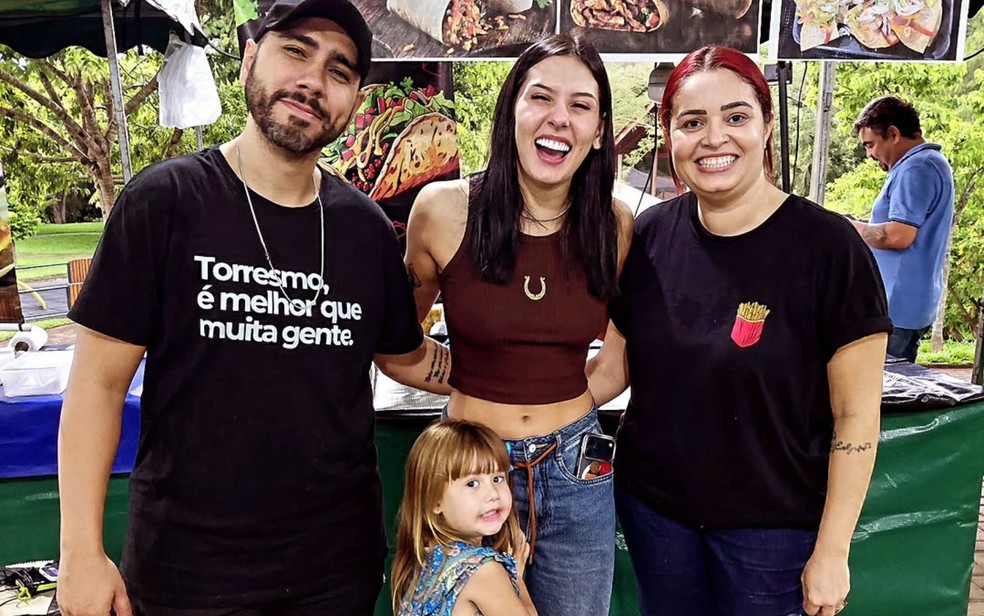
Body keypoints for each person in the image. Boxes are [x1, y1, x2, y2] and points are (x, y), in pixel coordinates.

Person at [56, 1, 452, 615]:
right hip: (186, 572)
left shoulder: (366, 230)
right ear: (249, 58)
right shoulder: (163, 203)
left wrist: (507, 370)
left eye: (340, 71)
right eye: (295, 51)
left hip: (334, 572)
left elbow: (404, 354)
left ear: (351, 101)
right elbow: (96, 389)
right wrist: (80, 550)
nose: (313, 82)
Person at [588, 46, 891, 616]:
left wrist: (832, 551)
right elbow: (611, 370)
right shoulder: (650, 236)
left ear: (767, 124)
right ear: (670, 134)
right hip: (657, 515)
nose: (713, 138)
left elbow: (857, 416)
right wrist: (510, 404)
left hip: (773, 533)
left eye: (735, 116)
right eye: (692, 122)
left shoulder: (830, 250)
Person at [403, 33, 632, 616]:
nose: (560, 118)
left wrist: (555, 393)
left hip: (580, 465)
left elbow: (617, 361)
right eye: (541, 97)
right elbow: (396, 344)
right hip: (470, 467)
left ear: (600, 129)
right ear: (511, 111)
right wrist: (474, 379)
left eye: (581, 105)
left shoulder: (615, 224)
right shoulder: (441, 209)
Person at [392, 420, 537, 616]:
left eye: (497, 478)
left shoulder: (423, 557)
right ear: (435, 501)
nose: (493, 493)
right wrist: (516, 577)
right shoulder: (484, 570)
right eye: (472, 484)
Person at [850, 95, 955, 363]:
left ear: (894, 134)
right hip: (908, 305)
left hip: (898, 307)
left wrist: (847, 227)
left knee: (883, 394)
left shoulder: (916, 167)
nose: (869, 154)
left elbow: (898, 236)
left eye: (871, 144)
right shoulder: (928, 162)